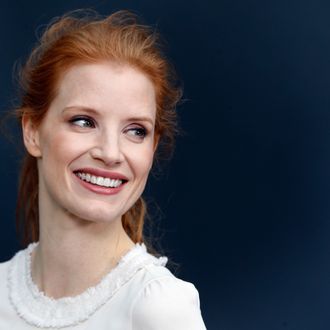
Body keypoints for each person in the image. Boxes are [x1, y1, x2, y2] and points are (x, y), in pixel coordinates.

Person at [0, 9, 207, 330]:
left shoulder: (160, 308)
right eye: (83, 121)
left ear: (152, 148)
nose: (111, 153)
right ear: (32, 131)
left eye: (136, 130)